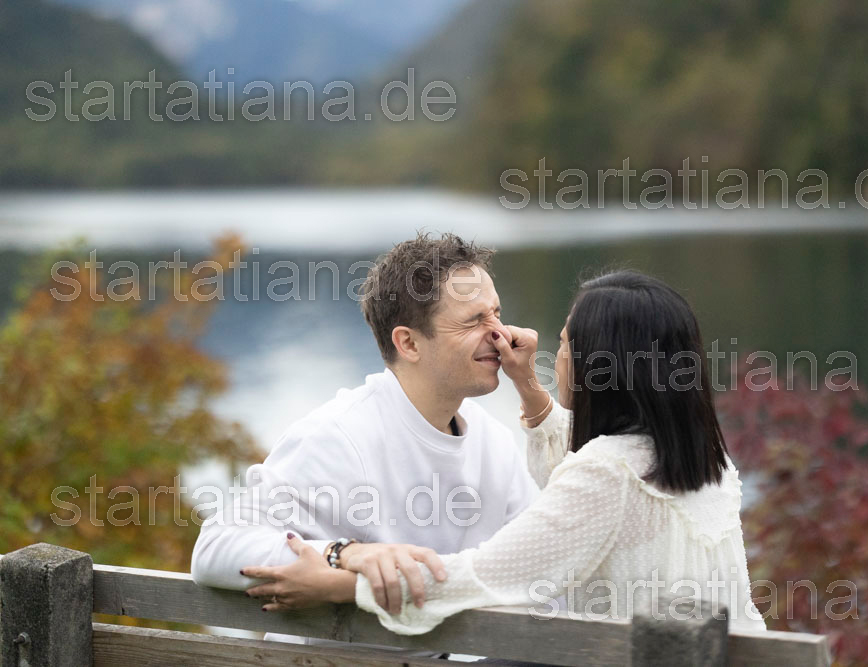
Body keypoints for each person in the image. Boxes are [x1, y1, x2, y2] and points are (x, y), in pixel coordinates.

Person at [240, 270, 768, 635]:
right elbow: (591, 478)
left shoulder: (607, 474)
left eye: (565, 343)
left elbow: (487, 576)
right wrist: (529, 388)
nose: (547, 351)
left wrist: (339, 585)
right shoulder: (706, 463)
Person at [190, 233, 540, 645]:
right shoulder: (336, 437)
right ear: (408, 343)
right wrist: (344, 554)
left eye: (497, 314)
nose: (501, 334)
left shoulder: (494, 441)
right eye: (473, 321)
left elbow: (537, 566)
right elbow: (214, 549)